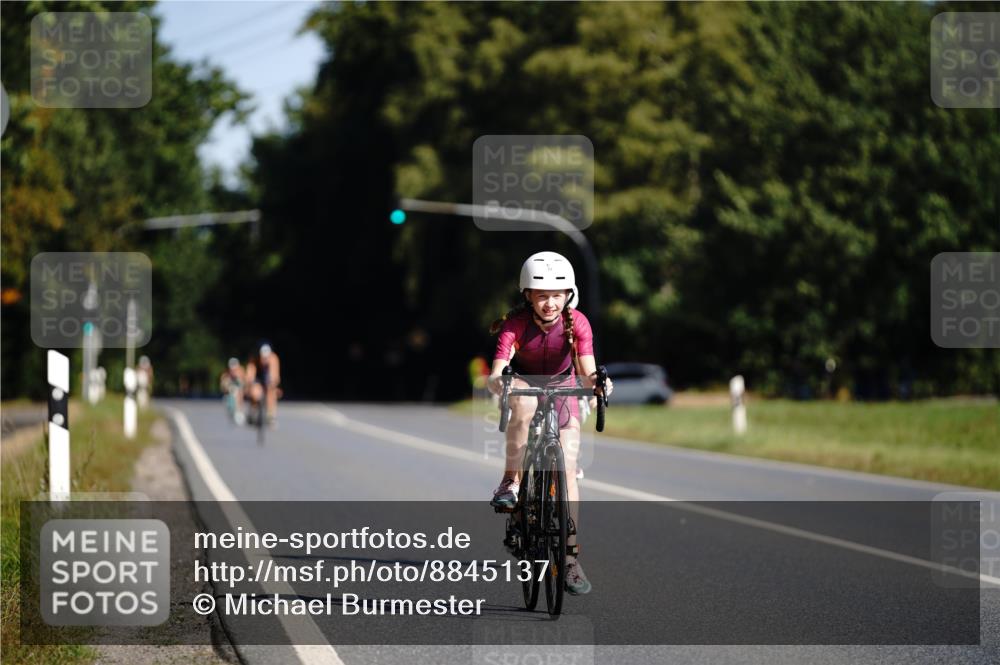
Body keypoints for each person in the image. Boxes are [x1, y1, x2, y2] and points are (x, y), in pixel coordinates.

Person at [486, 251, 612, 596]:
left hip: (562, 388)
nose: (550, 303)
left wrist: (598, 383)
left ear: (568, 295)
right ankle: (510, 483)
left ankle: (570, 559)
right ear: (528, 295)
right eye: (542, 296)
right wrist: (498, 382)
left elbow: (586, 369)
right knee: (523, 406)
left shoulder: (578, 323)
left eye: (557, 295)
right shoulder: (515, 324)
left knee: (568, 469)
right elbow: (498, 368)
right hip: (525, 383)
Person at [245, 342, 281, 425]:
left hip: (268, 379)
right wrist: (249, 384)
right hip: (257, 378)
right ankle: (253, 411)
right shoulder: (254, 359)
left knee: (272, 392)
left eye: (266, 357)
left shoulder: (274, 358)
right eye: (262, 357)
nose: (264, 359)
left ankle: (271, 415)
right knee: (255, 393)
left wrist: (273, 383)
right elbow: (250, 374)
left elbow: (275, 375)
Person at [220, 357, 246, 425]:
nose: (233, 371)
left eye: (235, 369)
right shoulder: (225, 375)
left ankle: (239, 410)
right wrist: (229, 387)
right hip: (229, 395)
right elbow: (223, 387)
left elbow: (244, 385)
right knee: (233, 391)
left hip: (238, 394)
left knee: (238, 391)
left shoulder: (241, 372)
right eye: (232, 370)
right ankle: (232, 409)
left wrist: (238, 379)